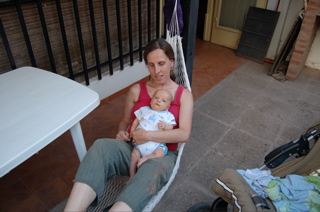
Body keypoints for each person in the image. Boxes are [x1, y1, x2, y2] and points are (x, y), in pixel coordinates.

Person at [64, 38, 193, 212]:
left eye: (161, 63)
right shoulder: (136, 90)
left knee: (148, 175)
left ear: (171, 62)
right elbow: (125, 121)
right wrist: (121, 132)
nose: (157, 71)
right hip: (132, 147)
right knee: (100, 146)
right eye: (151, 65)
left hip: (162, 154)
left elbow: (184, 134)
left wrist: (148, 135)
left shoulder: (183, 95)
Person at [129, 89, 176, 182]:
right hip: (140, 143)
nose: (158, 101)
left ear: (167, 107)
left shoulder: (168, 115)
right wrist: (132, 131)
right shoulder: (144, 110)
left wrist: (165, 126)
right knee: (133, 156)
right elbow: (136, 121)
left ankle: (145, 159)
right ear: (151, 100)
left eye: (163, 100)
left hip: (156, 144)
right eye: (156, 98)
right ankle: (131, 175)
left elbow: (171, 128)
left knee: (160, 153)